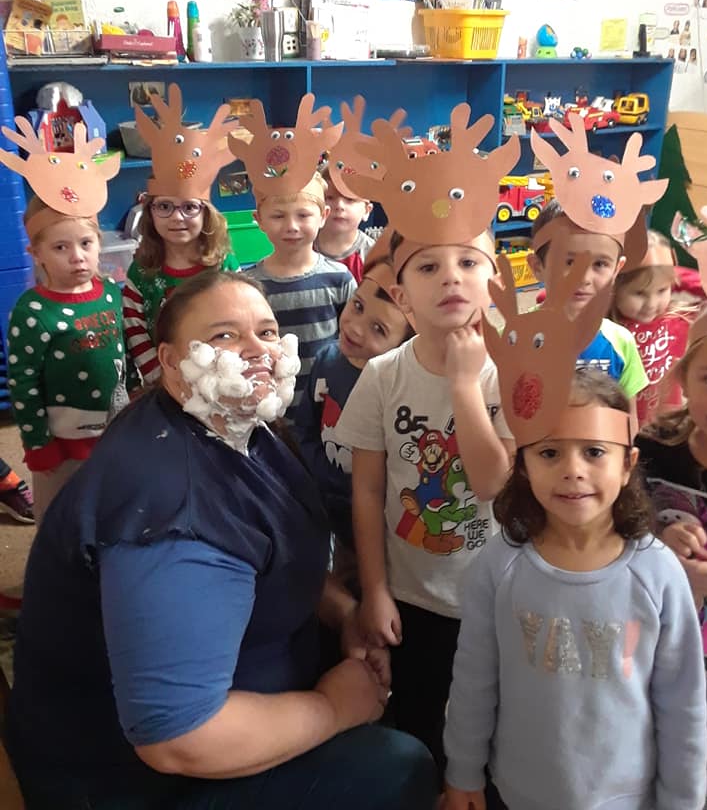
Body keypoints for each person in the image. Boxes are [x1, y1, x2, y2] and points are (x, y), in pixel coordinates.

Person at [6, 269, 438, 810]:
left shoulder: (235, 425)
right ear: (169, 362)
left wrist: (340, 609)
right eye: (224, 336)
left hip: (243, 686)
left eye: (265, 330)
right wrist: (333, 708)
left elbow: (261, 548)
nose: (256, 349)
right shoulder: (171, 513)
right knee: (401, 767)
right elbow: (179, 739)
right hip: (127, 780)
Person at [444, 370, 707, 810]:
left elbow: (683, 707)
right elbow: (474, 678)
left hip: (627, 797)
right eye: (549, 452)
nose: (572, 471)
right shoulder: (499, 564)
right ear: (524, 464)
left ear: (627, 464)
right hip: (517, 791)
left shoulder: (657, 574)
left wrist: (682, 802)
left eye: (594, 452)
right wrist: (463, 772)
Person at [335, 229, 513, 775]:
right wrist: (375, 591)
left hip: (494, 599)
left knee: (494, 734)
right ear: (405, 299)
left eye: (467, 261)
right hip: (412, 598)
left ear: (494, 283)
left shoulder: (508, 375)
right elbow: (365, 490)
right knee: (424, 731)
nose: (452, 276)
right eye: (428, 267)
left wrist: (464, 386)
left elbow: (494, 487)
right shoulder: (385, 375)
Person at [7, 196, 129, 524]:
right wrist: (37, 443)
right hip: (61, 446)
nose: (77, 257)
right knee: (60, 520)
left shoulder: (110, 293)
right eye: (60, 248)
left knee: (111, 509)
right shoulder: (32, 312)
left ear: (98, 243)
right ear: (37, 254)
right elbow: (23, 384)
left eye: (85, 243)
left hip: (115, 432)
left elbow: (125, 356)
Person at [295, 257, 414, 584]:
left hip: (380, 516)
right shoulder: (327, 360)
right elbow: (306, 427)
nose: (355, 327)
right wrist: (319, 478)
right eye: (357, 306)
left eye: (379, 329)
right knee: (343, 571)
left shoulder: (399, 387)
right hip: (327, 503)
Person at [249, 171, 356, 422]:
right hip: (272, 410)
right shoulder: (250, 286)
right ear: (259, 220)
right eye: (277, 216)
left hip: (329, 405)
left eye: (304, 215)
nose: (292, 226)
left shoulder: (340, 278)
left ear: (323, 216)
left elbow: (352, 340)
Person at [636, 305, 707, 625]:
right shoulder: (651, 449)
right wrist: (658, 538)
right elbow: (618, 525)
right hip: (662, 641)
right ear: (683, 377)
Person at [529, 199, 648, 410]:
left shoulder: (621, 343)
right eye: (569, 262)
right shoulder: (512, 336)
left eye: (600, 264)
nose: (583, 277)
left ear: (617, 269)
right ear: (538, 266)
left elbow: (627, 421)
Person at [122, 193, 238, 386]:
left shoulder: (224, 266)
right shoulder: (141, 271)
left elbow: (240, 321)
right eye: (164, 207)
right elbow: (135, 327)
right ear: (150, 212)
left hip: (222, 379)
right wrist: (161, 377)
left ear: (206, 213)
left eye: (190, 207)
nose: (177, 217)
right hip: (164, 382)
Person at [610, 229, 699, 427]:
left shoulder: (678, 318)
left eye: (661, 290)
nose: (652, 303)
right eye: (640, 293)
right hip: (623, 421)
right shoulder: (608, 328)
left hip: (667, 421)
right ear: (613, 287)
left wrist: (668, 269)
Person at [315, 172, 375, 282]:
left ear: (367, 211)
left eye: (349, 199)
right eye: (329, 198)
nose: (339, 206)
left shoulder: (372, 256)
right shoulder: (302, 247)